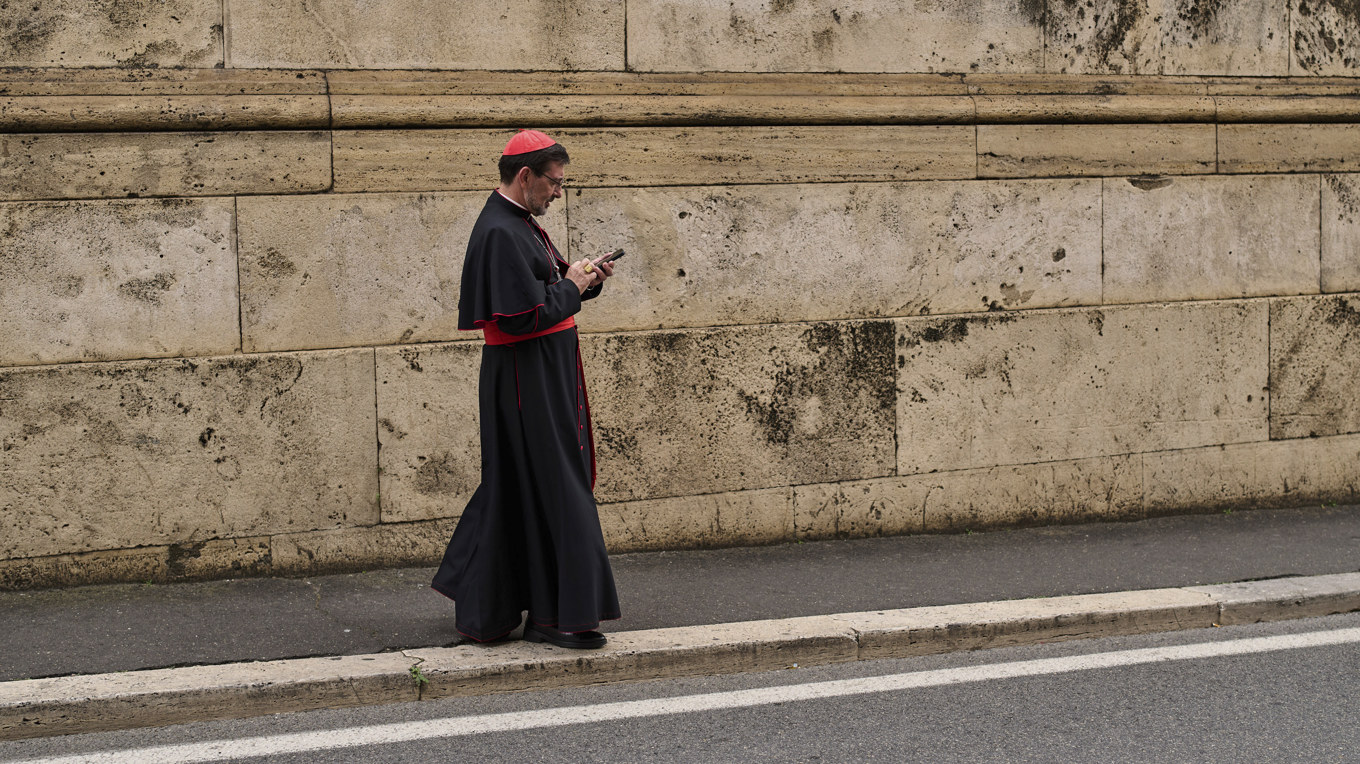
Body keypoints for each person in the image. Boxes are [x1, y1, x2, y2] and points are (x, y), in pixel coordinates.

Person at [431, 129, 620, 649]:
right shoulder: (500, 231)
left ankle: (524, 611)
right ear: (524, 176)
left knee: (527, 488)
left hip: (537, 372)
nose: (558, 192)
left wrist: (584, 278)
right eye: (554, 183)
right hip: (525, 375)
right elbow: (521, 318)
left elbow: (544, 288)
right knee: (557, 487)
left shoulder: (520, 224)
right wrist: (573, 286)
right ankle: (560, 616)